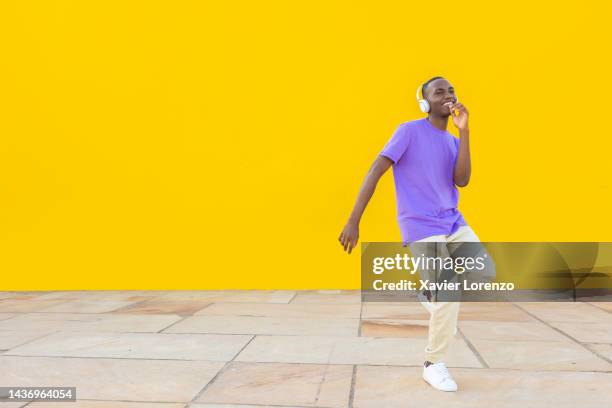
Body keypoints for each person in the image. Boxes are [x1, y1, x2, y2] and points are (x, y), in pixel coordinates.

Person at [338, 76, 493, 392]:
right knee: (449, 290)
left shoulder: (452, 141)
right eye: (439, 92)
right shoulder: (408, 131)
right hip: (420, 224)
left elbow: (462, 180)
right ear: (425, 103)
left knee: (486, 271)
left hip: (451, 222)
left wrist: (464, 132)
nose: (448, 95)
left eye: (451, 90)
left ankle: (431, 295)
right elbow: (375, 170)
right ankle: (433, 364)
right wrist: (354, 220)